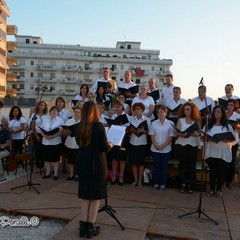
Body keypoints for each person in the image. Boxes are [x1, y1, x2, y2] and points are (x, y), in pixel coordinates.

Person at [76, 101, 111, 238]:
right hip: (97, 166)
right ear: (95, 112)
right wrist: (111, 144)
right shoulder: (98, 126)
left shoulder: (79, 127)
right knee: (95, 197)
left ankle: (82, 227)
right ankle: (90, 227)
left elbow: (80, 143)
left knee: (85, 196)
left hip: (83, 165)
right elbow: (104, 147)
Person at [204, 105, 235, 198]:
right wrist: (207, 138)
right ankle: (212, 189)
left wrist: (227, 139)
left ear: (222, 114)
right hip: (211, 150)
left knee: (220, 172)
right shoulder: (208, 125)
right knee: (212, 171)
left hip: (222, 151)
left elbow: (233, 138)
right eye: (215, 111)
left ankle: (219, 190)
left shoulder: (227, 126)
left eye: (218, 111)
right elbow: (203, 136)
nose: (216, 113)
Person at [175, 102, 201, 193]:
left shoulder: (196, 120)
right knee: (182, 164)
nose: (186, 111)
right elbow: (176, 132)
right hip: (182, 144)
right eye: (185, 109)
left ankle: (190, 185)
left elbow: (199, 133)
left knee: (191, 165)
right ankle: (182, 184)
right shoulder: (180, 120)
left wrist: (195, 134)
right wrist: (182, 134)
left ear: (192, 110)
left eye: (188, 109)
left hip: (193, 144)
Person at [149, 105, 174, 191]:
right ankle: (156, 183)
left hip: (166, 149)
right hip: (155, 149)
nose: (159, 114)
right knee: (156, 166)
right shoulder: (154, 123)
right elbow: (152, 135)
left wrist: (163, 145)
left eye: (161, 112)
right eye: (158, 112)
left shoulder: (170, 124)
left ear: (165, 113)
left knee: (164, 167)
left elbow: (170, 137)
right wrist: (156, 145)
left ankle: (163, 184)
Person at [128, 102, 151, 187]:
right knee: (133, 163)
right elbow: (128, 130)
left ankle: (140, 181)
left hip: (142, 143)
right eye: (135, 109)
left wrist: (143, 131)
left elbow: (150, 133)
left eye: (138, 109)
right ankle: (135, 180)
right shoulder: (131, 119)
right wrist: (131, 130)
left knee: (140, 163)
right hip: (133, 142)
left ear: (142, 109)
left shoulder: (147, 120)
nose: (137, 111)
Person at [108, 100, 130, 186]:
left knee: (122, 158)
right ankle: (114, 175)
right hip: (114, 139)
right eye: (115, 107)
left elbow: (128, 129)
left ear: (122, 107)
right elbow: (111, 126)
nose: (117, 108)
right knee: (114, 158)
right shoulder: (113, 116)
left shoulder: (126, 116)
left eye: (118, 107)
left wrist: (122, 128)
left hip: (123, 140)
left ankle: (121, 176)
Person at [41, 106, 64, 180]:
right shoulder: (45, 119)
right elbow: (41, 129)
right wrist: (44, 135)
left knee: (55, 159)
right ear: (50, 112)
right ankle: (48, 172)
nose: (54, 111)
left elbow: (61, 131)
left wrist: (52, 136)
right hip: (46, 142)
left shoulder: (60, 120)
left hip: (55, 142)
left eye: (56, 110)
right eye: (52, 110)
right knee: (47, 158)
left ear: (58, 113)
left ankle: (56, 173)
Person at [223, 99, 240, 189]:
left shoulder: (237, 116)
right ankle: (224, 180)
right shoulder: (223, 114)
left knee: (232, 161)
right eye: (228, 105)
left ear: (234, 106)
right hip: (224, 140)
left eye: (231, 105)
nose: (229, 107)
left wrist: (237, 126)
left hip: (234, 141)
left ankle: (230, 181)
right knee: (224, 160)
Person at [30, 101, 48, 173]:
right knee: (37, 151)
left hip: (44, 134)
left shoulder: (46, 115)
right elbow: (32, 127)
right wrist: (37, 136)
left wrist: (44, 135)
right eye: (40, 105)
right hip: (36, 134)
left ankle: (43, 166)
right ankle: (38, 166)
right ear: (38, 106)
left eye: (43, 105)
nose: (41, 107)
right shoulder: (34, 115)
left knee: (43, 150)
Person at [63, 106, 81, 181]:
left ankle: (77, 174)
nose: (76, 113)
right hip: (70, 143)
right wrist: (67, 132)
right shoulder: (69, 121)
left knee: (78, 160)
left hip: (79, 144)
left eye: (78, 112)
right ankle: (71, 174)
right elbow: (64, 134)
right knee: (70, 159)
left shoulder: (83, 122)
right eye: (75, 112)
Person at [55, 97, 71, 173]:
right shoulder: (54, 111)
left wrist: (65, 132)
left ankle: (63, 167)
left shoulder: (67, 112)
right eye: (58, 101)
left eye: (61, 102)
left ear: (64, 103)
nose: (60, 103)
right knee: (56, 152)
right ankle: (55, 168)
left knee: (64, 152)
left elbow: (68, 123)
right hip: (55, 134)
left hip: (64, 134)